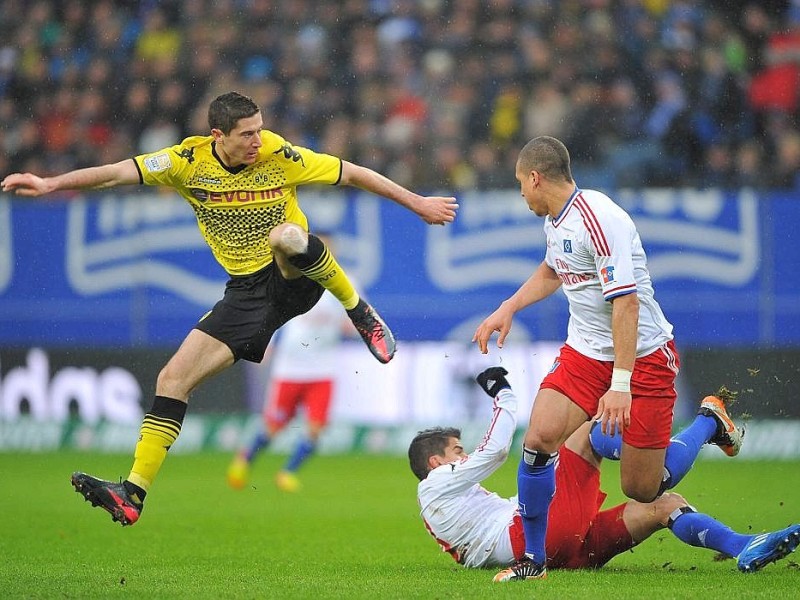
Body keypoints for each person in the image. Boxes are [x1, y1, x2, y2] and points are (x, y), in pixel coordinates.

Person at [1, 91, 458, 526]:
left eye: (260, 130)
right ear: (218, 136)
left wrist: (416, 202)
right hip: (245, 296)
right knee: (172, 380)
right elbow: (117, 172)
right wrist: (50, 183)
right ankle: (133, 492)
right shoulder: (186, 162)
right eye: (247, 134)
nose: (259, 141)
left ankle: (358, 310)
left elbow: (353, 173)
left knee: (287, 236)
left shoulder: (280, 154)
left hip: (293, 275)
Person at [471, 136, 731, 580]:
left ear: (536, 178)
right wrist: (508, 307)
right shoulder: (555, 221)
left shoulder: (599, 218)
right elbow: (553, 269)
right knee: (539, 439)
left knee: (643, 487)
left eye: (520, 184)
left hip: (643, 355)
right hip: (586, 352)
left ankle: (708, 421)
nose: (520, 194)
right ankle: (533, 561)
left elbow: (625, 304)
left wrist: (621, 384)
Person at [409, 367, 800, 577]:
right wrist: (504, 395)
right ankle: (704, 426)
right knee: (581, 431)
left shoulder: (447, 508)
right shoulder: (436, 485)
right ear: (435, 463)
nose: (463, 457)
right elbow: (494, 450)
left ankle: (741, 546)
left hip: (560, 550)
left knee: (664, 505)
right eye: (456, 451)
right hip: (538, 540)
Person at [226, 276, 352, 493]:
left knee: (316, 428)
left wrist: (353, 327)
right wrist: (265, 345)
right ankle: (245, 458)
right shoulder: (295, 282)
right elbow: (275, 316)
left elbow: (353, 315)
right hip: (290, 370)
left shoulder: (344, 284)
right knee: (274, 426)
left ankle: (287, 473)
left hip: (323, 370)